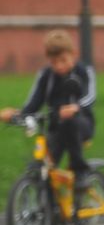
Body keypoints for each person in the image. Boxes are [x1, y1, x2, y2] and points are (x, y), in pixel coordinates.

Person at [1, 32, 98, 215]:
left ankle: (81, 172)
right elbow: (33, 103)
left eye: (63, 60)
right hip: (56, 128)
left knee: (70, 123)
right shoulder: (46, 75)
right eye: (54, 63)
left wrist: (75, 107)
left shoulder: (84, 71)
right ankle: (47, 221)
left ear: (73, 54)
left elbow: (90, 97)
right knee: (41, 169)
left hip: (81, 124)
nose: (59, 66)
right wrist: (15, 114)